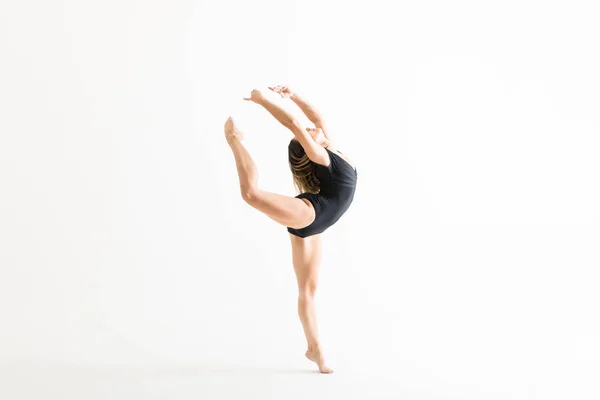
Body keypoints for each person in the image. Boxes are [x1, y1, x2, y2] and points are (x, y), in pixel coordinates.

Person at [224, 85, 358, 374]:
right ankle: (234, 141)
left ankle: (314, 349)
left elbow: (314, 116)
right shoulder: (322, 157)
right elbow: (294, 124)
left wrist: (293, 95)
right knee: (251, 194)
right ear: (310, 147)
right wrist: (262, 100)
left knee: (307, 291)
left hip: (318, 223)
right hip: (312, 214)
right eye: (309, 134)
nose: (312, 128)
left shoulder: (330, 146)